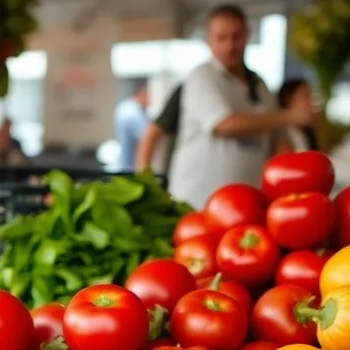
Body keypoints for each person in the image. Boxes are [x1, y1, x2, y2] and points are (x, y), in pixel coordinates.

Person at [166, 4, 314, 207]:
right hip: (197, 202)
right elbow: (223, 124)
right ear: (208, 40)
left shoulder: (261, 86)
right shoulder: (202, 77)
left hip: (246, 206)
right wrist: (291, 116)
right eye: (221, 38)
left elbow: (278, 145)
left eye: (236, 36)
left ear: (248, 36)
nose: (230, 45)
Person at [114, 83, 150, 172]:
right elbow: (145, 138)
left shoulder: (124, 107)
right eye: (147, 97)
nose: (149, 101)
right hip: (131, 166)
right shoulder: (134, 112)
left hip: (122, 162)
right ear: (141, 95)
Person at [278, 79, 319, 151]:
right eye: (306, 96)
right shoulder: (281, 134)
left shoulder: (304, 133)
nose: (311, 102)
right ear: (288, 99)